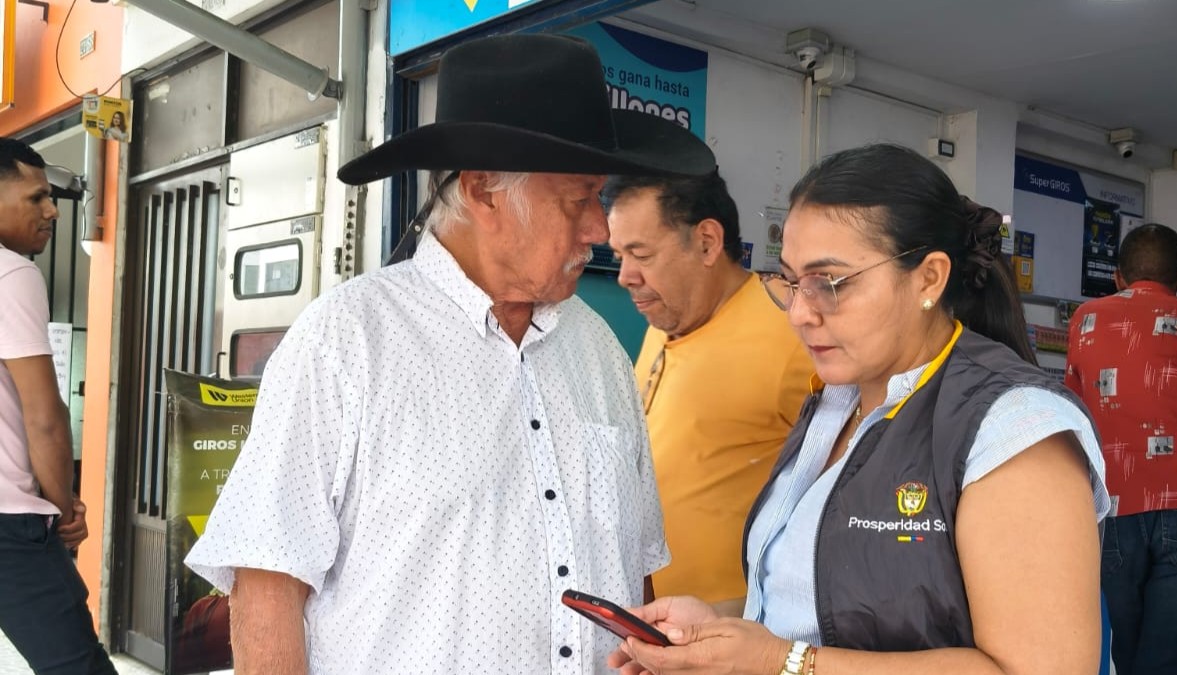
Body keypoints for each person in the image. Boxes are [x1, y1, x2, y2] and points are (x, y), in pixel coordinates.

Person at [185, 34, 716, 674]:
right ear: (486, 190)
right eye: (578, 200)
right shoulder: (348, 341)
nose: (599, 231)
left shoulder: (599, 350)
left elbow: (634, 568)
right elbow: (268, 583)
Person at [609, 143, 1111, 675]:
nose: (800, 314)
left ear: (929, 278)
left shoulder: (1013, 429)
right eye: (792, 282)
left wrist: (782, 662)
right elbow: (817, 609)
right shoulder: (833, 407)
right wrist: (713, 632)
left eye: (828, 283)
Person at [604, 172, 812, 613]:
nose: (625, 276)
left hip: (736, 630)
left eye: (640, 254)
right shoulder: (666, 321)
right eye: (619, 255)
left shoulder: (795, 338)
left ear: (706, 242)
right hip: (647, 622)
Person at [0, 138, 116, 674]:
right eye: (36, 197)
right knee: (77, 665)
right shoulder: (12, 275)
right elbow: (44, 417)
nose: (52, 211)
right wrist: (65, 509)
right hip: (10, 527)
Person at [1064, 222, 1177, 675]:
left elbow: (1075, 407)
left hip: (1112, 502)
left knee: (1126, 646)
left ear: (1118, 277)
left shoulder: (1086, 319)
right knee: (1175, 653)